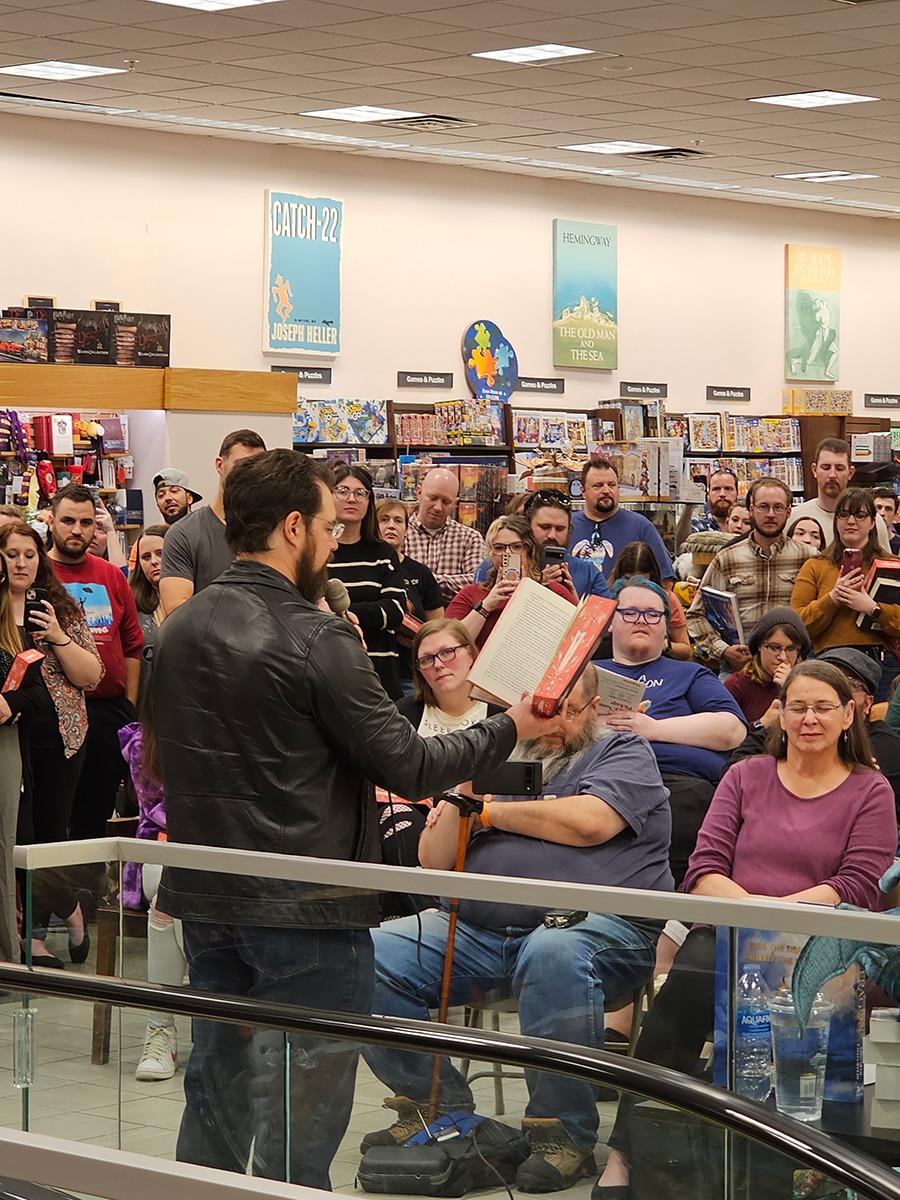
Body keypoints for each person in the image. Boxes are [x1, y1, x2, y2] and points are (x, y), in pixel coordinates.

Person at [152, 448, 564, 1189]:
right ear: (290, 528)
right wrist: (511, 725)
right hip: (305, 904)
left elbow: (161, 758)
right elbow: (406, 764)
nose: (338, 538)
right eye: (325, 524)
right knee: (300, 1104)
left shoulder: (179, 626)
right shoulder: (317, 635)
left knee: (215, 1086)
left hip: (207, 892)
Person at [362, 662, 674, 1193]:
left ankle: (562, 1136)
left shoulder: (622, 753)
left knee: (553, 951)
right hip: (480, 931)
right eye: (542, 713)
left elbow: (592, 821)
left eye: (567, 713)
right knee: (363, 950)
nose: (552, 726)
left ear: (594, 709)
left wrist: (491, 814)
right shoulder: (499, 761)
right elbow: (433, 859)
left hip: (603, 932)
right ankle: (438, 1109)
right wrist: (462, 794)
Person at [594, 661, 897, 1200]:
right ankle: (624, 1155)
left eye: (823, 707)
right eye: (797, 706)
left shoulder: (870, 790)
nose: (809, 719)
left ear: (848, 715)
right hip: (730, 933)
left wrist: (780, 915)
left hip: (819, 944)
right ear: (778, 713)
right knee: (681, 996)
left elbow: (857, 887)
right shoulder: (745, 776)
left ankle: (805, 1172)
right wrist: (758, 911)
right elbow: (704, 870)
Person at [0, 520, 104, 967]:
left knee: (47, 841)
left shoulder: (59, 604)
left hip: (60, 737)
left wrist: (59, 636)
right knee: (19, 839)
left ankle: (42, 931)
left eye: (29, 554)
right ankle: (49, 921)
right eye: (11, 554)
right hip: (9, 739)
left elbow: (91, 676)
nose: (21, 563)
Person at [600, 578, 746, 886]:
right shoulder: (584, 672)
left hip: (678, 788)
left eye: (653, 614)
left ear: (667, 628)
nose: (642, 620)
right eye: (630, 612)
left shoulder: (690, 674)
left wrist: (651, 729)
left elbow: (732, 730)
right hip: (600, 782)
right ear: (610, 621)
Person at [378, 618, 502, 916]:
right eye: (426, 659)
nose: (438, 664)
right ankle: (432, 913)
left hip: (480, 813)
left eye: (448, 652)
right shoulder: (401, 713)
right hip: (413, 811)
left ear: (471, 654)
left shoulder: (503, 715)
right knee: (397, 818)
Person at [48, 484, 143, 840]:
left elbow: (133, 644)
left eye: (85, 522)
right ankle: (57, 896)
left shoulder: (110, 575)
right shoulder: (37, 574)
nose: (77, 530)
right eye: (68, 520)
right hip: (56, 716)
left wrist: (128, 705)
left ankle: (89, 894)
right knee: (55, 815)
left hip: (108, 712)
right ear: (52, 521)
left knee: (97, 812)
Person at [730, 645, 900, 828]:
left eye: (848, 683)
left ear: (864, 705)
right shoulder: (792, 725)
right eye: (824, 681)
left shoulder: (884, 745)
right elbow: (733, 772)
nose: (810, 719)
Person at [686, 477, 813, 672]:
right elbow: (696, 615)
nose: (770, 514)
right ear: (751, 510)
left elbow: (823, 616)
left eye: (778, 507)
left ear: (789, 512)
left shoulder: (808, 558)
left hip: (793, 670)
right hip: (739, 669)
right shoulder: (727, 558)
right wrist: (723, 650)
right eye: (763, 507)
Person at [791, 486, 900, 702]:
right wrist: (833, 599)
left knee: (879, 729)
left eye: (859, 514)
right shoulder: (815, 566)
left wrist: (872, 608)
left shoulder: (892, 565)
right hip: (827, 663)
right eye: (843, 514)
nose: (851, 521)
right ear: (836, 521)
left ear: (872, 522)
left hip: (881, 662)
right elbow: (798, 627)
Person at [159, 428, 266, 616]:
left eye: (256, 466)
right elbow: (176, 610)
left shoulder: (272, 531)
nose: (249, 474)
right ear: (220, 465)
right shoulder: (184, 534)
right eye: (241, 465)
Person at [327, 464, 408, 699]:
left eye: (360, 493)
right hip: (330, 666)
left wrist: (341, 613)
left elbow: (395, 611)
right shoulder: (317, 551)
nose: (352, 499)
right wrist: (370, 612)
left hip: (380, 671)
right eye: (342, 491)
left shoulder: (383, 553)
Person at [447, 515, 575, 648]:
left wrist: (530, 595)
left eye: (516, 547)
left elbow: (580, 639)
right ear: (491, 554)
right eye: (499, 548)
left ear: (529, 551)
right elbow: (448, 643)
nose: (507, 553)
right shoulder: (471, 594)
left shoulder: (553, 592)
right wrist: (486, 606)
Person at [475, 490, 612, 601]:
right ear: (527, 525)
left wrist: (574, 602)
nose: (552, 535)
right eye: (544, 527)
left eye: (560, 529)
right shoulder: (495, 566)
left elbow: (606, 625)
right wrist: (538, 584)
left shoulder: (589, 573)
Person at [376, 498, 444, 696]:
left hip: (410, 675)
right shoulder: (366, 569)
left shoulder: (420, 572)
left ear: (406, 529)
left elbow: (438, 626)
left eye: (398, 521)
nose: (391, 526)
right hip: (372, 669)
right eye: (384, 519)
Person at [569, 458, 674, 585]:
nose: (606, 490)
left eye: (612, 485)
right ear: (583, 491)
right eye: (598, 485)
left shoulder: (640, 526)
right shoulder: (567, 526)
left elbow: (665, 582)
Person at [402, 467, 486, 605]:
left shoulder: (470, 538)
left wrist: (422, 581)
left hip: (455, 622)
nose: (438, 507)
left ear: (455, 503)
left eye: (446, 502)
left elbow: (476, 586)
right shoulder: (400, 533)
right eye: (433, 498)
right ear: (419, 493)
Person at [790, 437, 892, 551]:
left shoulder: (872, 521)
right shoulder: (793, 517)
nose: (832, 475)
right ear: (814, 470)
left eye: (839, 468)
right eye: (826, 467)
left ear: (850, 472)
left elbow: (885, 565)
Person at [722, 607, 811, 726]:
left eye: (791, 648)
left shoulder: (811, 684)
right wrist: (761, 724)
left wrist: (792, 687)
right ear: (760, 646)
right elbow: (725, 738)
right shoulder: (737, 685)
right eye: (775, 647)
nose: (783, 657)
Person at [604, 541, 691, 661]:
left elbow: (685, 650)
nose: (636, 584)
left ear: (651, 574)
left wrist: (664, 645)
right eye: (629, 578)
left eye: (642, 579)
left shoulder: (668, 599)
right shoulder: (609, 596)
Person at [129, 525, 167, 712]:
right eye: (146, 557)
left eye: (161, 553)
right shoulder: (133, 605)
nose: (154, 561)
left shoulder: (197, 600)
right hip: (145, 709)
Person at [675, 468, 739, 542]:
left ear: (737, 493)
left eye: (728, 489)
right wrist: (688, 506)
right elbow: (681, 547)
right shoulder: (699, 525)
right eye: (716, 489)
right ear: (708, 494)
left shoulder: (748, 525)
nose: (722, 494)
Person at [874, 486, 900, 554]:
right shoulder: (861, 542)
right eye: (878, 507)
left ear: (895, 515)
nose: (882, 513)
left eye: (888, 509)